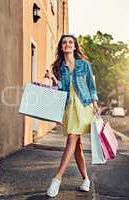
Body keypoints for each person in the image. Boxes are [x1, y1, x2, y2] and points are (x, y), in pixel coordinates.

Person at [46, 34, 99, 197]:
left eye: (70, 42)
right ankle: (86, 179)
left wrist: (95, 104)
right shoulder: (60, 67)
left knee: (72, 138)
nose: (67, 44)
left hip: (84, 106)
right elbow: (62, 90)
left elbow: (91, 85)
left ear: (75, 46)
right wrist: (53, 78)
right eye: (64, 43)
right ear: (61, 47)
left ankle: (57, 178)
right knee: (77, 146)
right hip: (69, 107)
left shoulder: (85, 64)